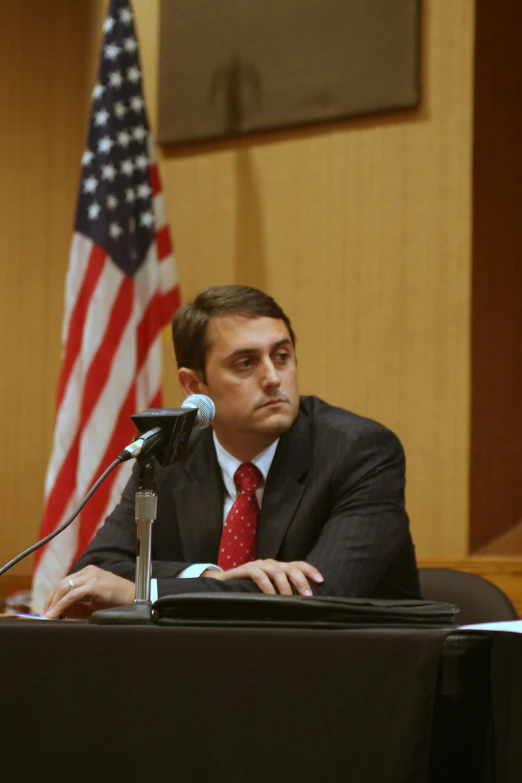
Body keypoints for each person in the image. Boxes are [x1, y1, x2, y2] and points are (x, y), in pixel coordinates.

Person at [43, 285, 420, 618]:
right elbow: (97, 569)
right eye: (246, 363)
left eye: (282, 356)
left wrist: (147, 593)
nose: (273, 377)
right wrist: (208, 576)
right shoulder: (172, 454)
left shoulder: (360, 450)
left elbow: (322, 596)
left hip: (346, 678)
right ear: (195, 385)